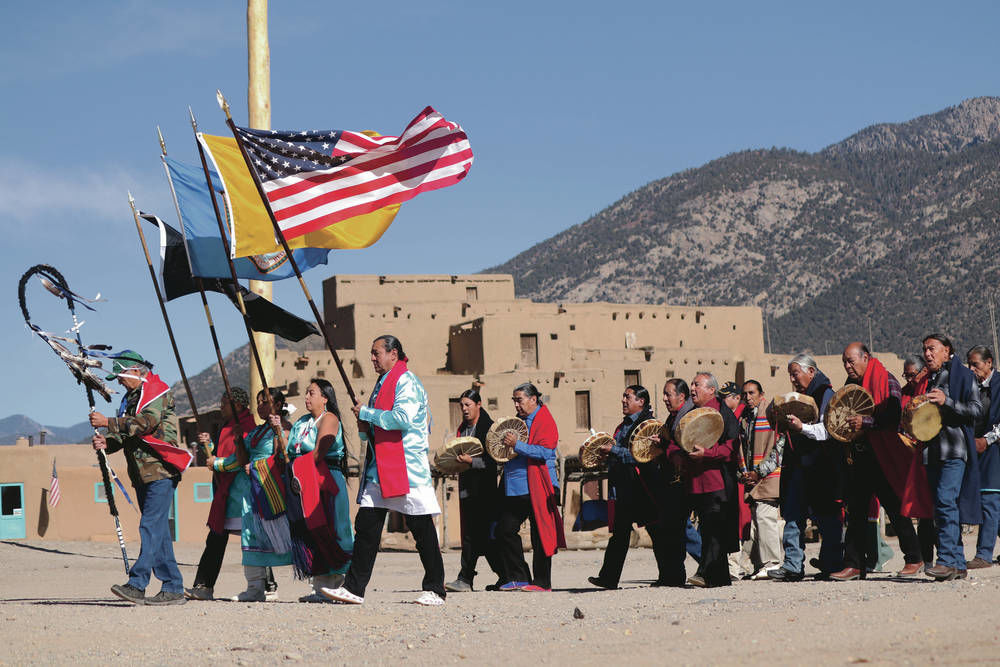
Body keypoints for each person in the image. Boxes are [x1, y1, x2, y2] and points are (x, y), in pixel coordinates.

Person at [322, 336, 445, 606]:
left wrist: (367, 413)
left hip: (406, 467)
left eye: (376, 353)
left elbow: (402, 418)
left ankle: (435, 588)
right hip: (381, 468)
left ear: (394, 353)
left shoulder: (407, 381)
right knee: (366, 526)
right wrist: (366, 423)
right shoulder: (382, 384)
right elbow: (377, 426)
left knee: (421, 528)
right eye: (371, 353)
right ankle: (354, 588)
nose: (373, 358)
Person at [89, 350, 190, 605]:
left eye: (121, 376)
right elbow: (126, 434)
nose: (119, 382)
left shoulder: (156, 392)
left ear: (134, 371)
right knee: (159, 532)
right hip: (141, 474)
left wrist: (109, 422)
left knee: (149, 525)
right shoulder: (130, 398)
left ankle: (137, 583)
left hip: (160, 470)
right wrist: (106, 442)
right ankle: (174, 588)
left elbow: (146, 423)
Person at [829, 343, 927, 581]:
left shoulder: (886, 379)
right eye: (845, 362)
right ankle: (854, 564)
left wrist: (866, 423)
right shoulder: (850, 386)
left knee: (894, 508)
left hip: (883, 454)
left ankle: (915, 558)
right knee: (857, 510)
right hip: (860, 455)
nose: (847, 366)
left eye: (851, 361)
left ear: (866, 357)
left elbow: (893, 416)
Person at [207, 388, 294, 601]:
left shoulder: (285, 429)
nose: (260, 406)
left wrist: (259, 463)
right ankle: (255, 587)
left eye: (266, 402)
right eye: (259, 402)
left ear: (279, 405)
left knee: (288, 535)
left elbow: (284, 457)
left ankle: (317, 582)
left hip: (273, 487)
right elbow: (241, 458)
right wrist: (237, 440)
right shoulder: (256, 432)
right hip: (253, 490)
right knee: (251, 536)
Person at [588, 385, 671, 589]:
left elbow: (640, 454)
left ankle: (670, 576)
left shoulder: (648, 425)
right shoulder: (622, 426)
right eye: (623, 396)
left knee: (657, 532)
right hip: (626, 490)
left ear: (640, 402)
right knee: (620, 535)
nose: (623, 400)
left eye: (628, 397)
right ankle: (608, 578)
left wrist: (614, 451)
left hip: (644, 488)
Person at [770, 354, 844, 581]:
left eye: (796, 373)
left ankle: (832, 563)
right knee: (793, 514)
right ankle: (793, 565)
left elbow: (827, 429)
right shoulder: (800, 397)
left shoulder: (826, 394)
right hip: (797, 465)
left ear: (811, 372)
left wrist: (801, 428)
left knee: (826, 516)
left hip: (820, 465)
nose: (792, 378)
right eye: (790, 374)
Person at [284, 378, 354, 602]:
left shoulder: (330, 419)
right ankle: (320, 587)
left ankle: (339, 585)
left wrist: (297, 467)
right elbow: (290, 451)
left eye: (311, 393)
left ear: (325, 397)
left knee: (332, 527)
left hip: (325, 479)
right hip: (304, 479)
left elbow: (319, 452)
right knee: (310, 530)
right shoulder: (302, 422)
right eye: (306, 392)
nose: (306, 397)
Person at [185, 387, 256, 601]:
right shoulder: (227, 426)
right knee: (217, 538)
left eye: (225, 403)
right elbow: (224, 451)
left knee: (252, 540)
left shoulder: (247, 426)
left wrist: (218, 463)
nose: (221, 406)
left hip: (240, 491)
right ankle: (204, 586)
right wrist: (211, 445)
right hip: (225, 491)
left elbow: (240, 457)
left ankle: (266, 585)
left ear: (237, 405)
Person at [667, 372, 738, 588]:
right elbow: (676, 439)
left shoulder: (724, 414)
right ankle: (721, 578)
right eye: (692, 384)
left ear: (711, 390)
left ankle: (706, 573)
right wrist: (675, 454)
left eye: (697, 385)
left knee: (714, 527)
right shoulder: (691, 412)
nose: (692, 389)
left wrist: (707, 454)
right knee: (707, 528)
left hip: (716, 481)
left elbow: (731, 448)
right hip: (695, 480)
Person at [920, 333, 982, 581]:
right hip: (932, 451)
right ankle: (957, 563)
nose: (927, 354)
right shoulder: (929, 379)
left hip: (954, 450)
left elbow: (975, 410)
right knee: (943, 507)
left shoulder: (965, 376)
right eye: (924, 349)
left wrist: (948, 401)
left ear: (947, 350)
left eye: (932, 348)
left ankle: (945, 559)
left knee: (946, 501)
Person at [495, 382, 565, 592]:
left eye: (520, 400)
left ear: (533, 399)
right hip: (516, 486)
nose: (516, 404)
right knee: (505, 530)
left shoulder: (545, 420)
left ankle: (543, 582)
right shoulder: (518, 423)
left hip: (540, 485)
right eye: (514, 401)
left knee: (540, 534)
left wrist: (517, 445)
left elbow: (545, 452)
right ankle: (520, 576)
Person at [445, 389, 504, 592]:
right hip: (467, 490)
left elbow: (494, 460)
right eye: (461, 405)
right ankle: (469, 578)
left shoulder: (489, 428)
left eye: (468, 405)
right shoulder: (463, 428)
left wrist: (472, 461)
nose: (464, 409)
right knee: (472, 536)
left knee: (485, 537)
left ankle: (501, 576)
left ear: (479, 405)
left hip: (485, 493)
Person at [735, 380, 784, 579]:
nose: (748, 397)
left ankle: (773, 563)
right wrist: (745, 473)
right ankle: (760, 564)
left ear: (761, 394)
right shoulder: (745, 419)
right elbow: (743, 449)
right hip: (753, 477)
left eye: (752, 393)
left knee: (766, 519)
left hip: (769, 476)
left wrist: (761, 470)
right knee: (757, 521)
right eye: (745, 393)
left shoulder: (771, 413)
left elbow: (779, 444)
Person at [969, 346, 1000, 567]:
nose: (972, 369)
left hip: (994, 450)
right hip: (978, 450)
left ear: (989, 363)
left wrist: (986, 440)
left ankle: (983, 555)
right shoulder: (974, 387)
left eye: (976, 365)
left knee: (990, 500)